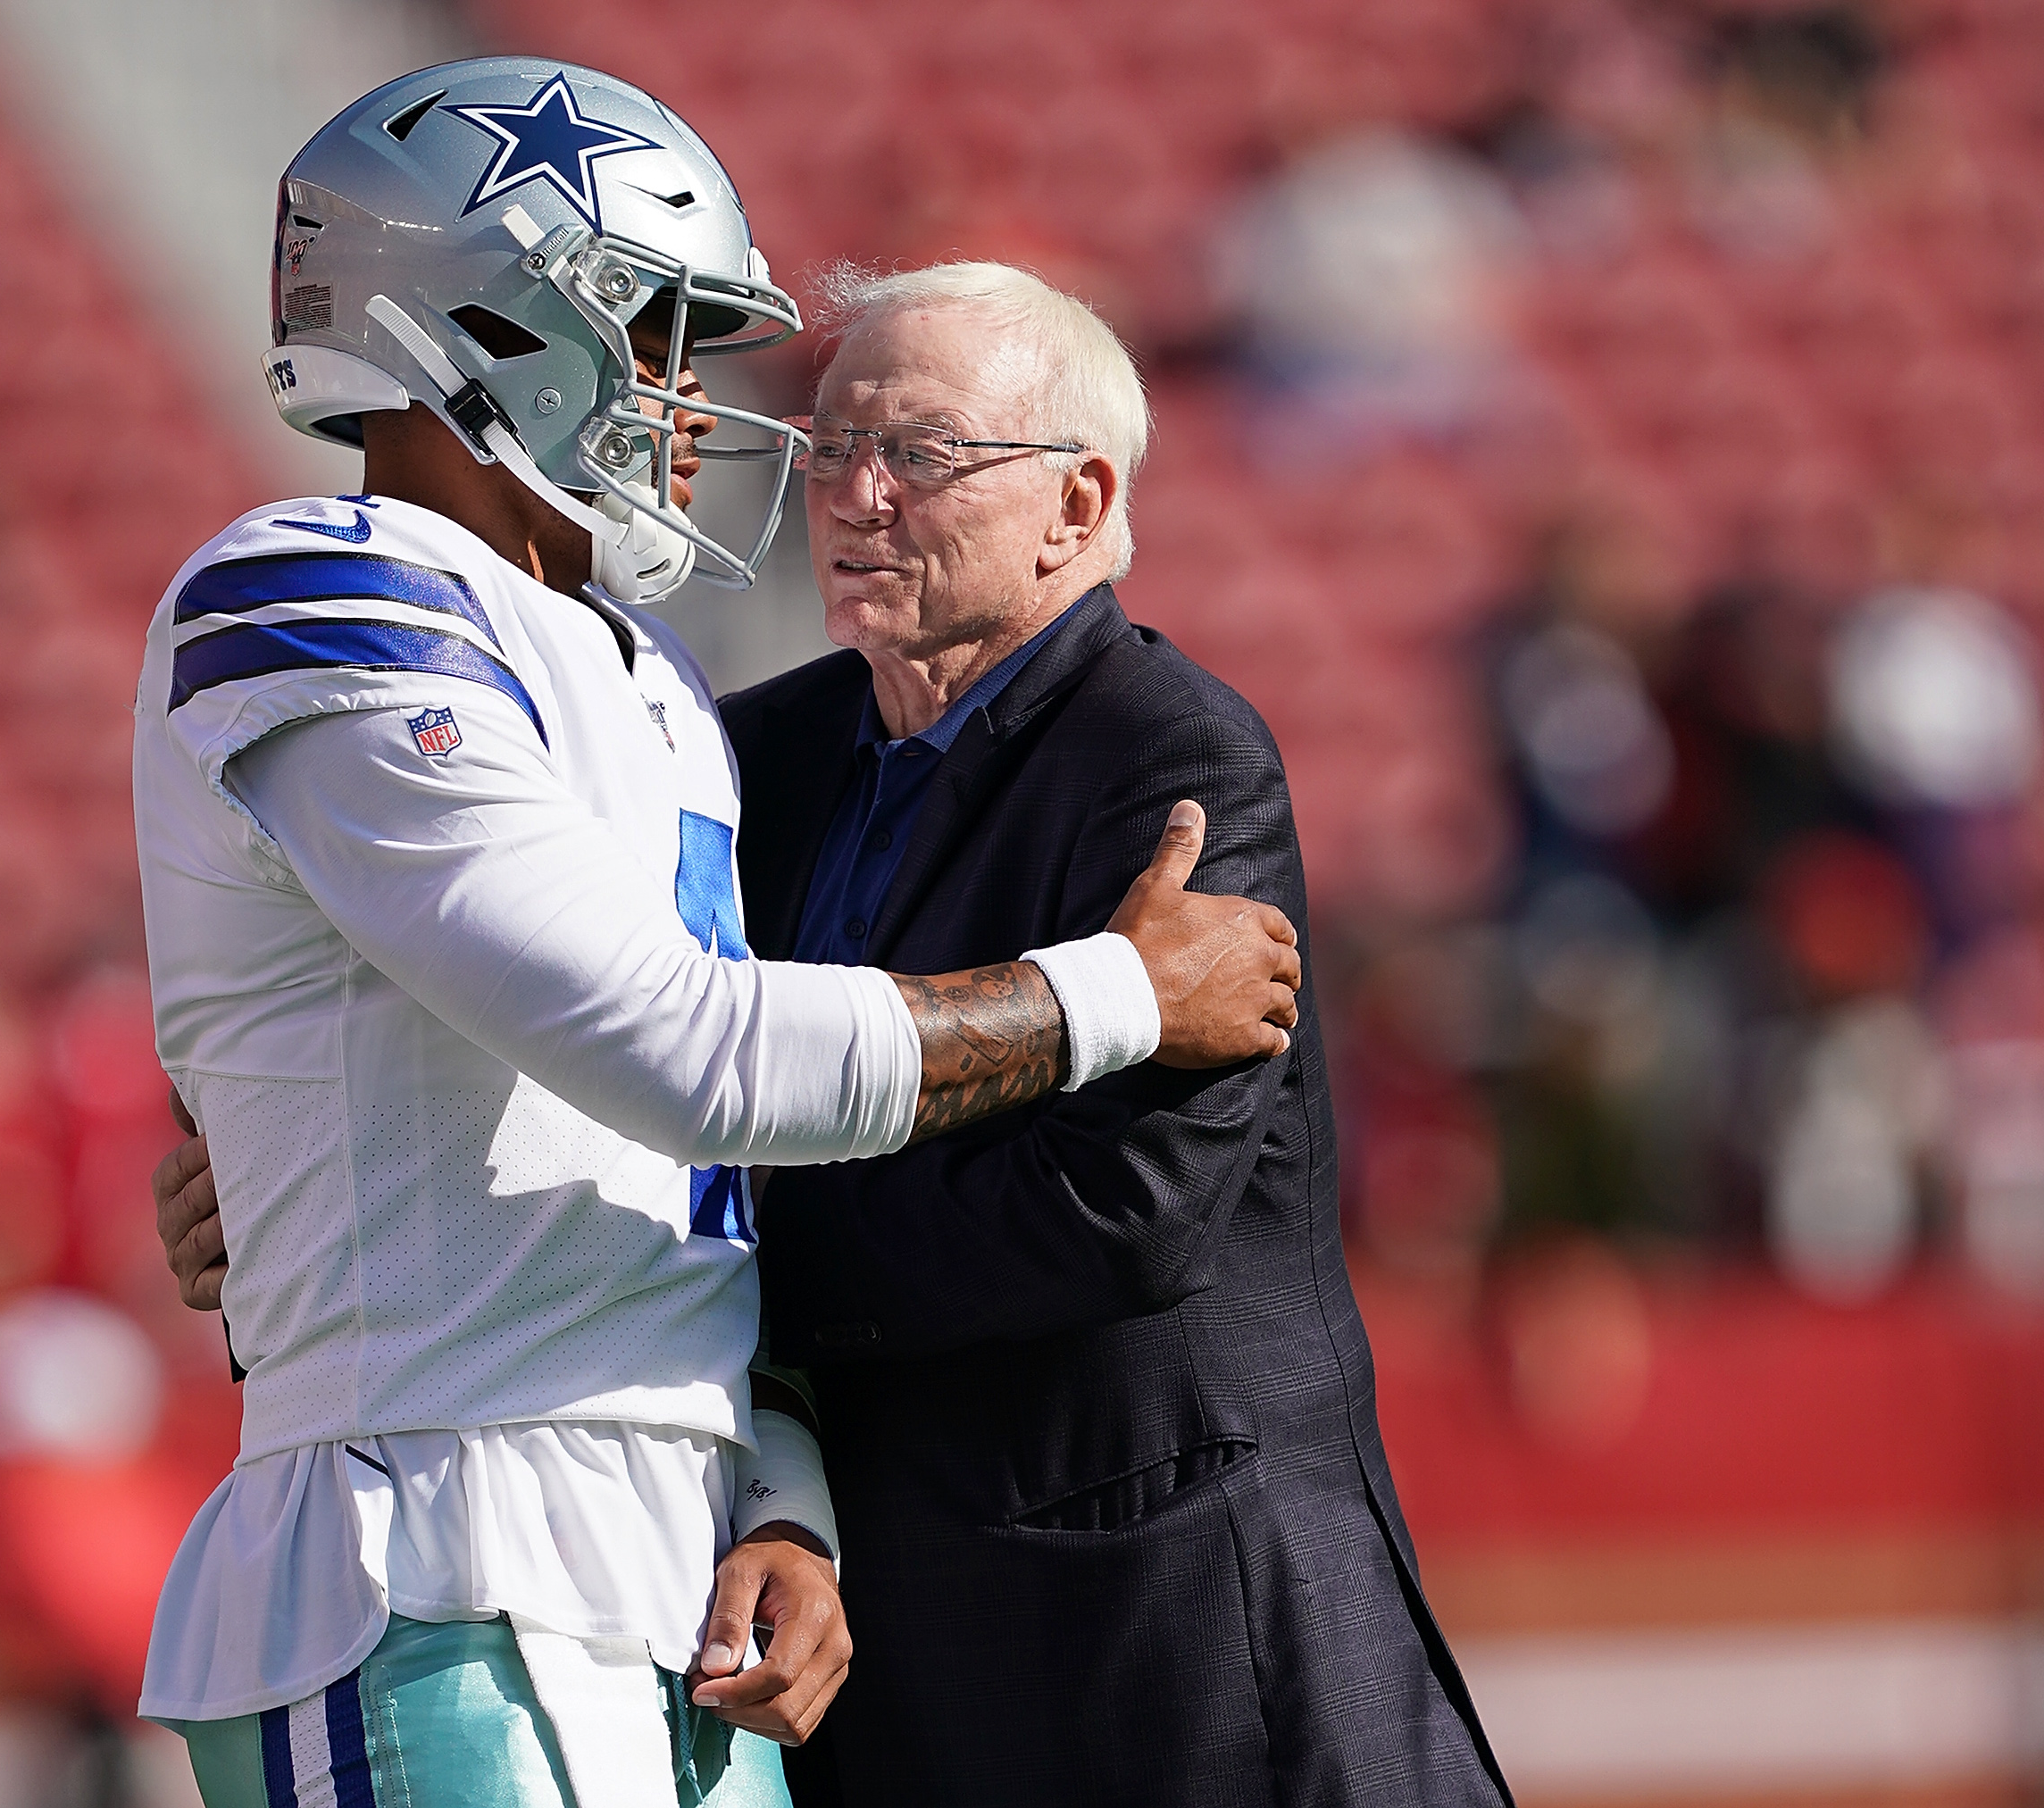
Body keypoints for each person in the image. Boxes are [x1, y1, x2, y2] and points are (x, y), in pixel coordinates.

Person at [160, 258, 1507, 1805]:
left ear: (1077, 505)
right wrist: (326, 1176)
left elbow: (1116, 1211)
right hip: (868, 1628)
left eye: (920, 454)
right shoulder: (753, 749)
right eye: (831, 447)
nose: (855, 495)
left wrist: (631, 1252)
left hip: (1179, 1625)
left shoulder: (1172, 752)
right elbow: (567, 1042)